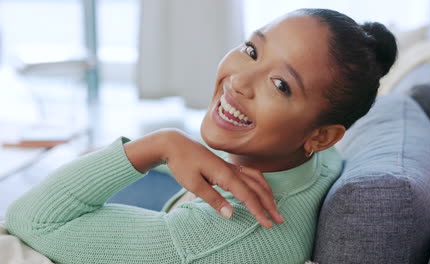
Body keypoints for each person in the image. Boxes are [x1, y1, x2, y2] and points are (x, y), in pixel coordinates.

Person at [5, 8, 397, 264]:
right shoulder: (318, 161)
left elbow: (29, 221)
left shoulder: (211, 237)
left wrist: (162, 143)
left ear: (322, 135)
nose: (240, 80)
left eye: (280, 85)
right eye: (251, 50)